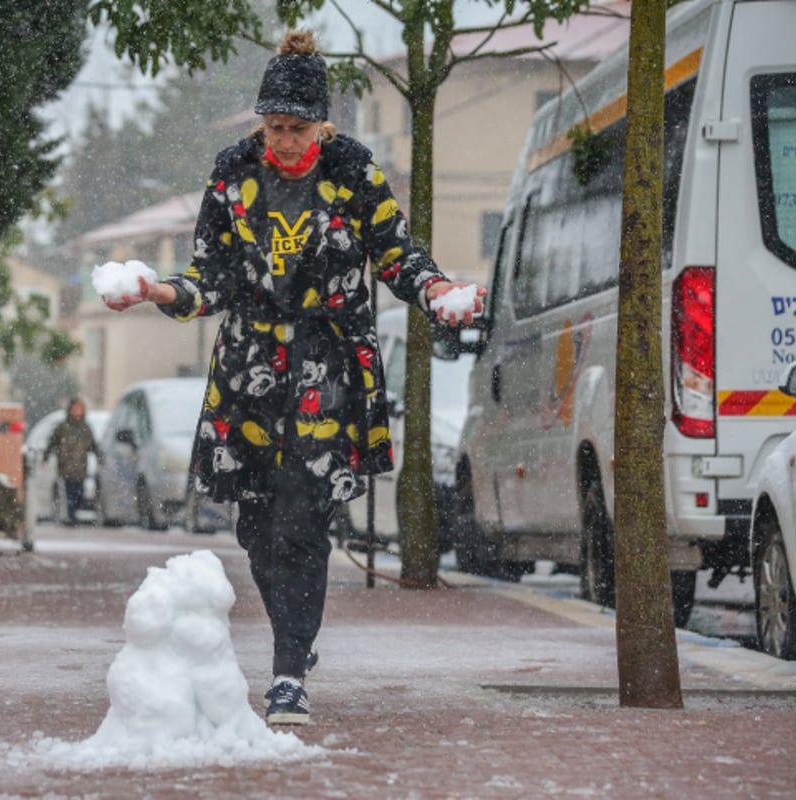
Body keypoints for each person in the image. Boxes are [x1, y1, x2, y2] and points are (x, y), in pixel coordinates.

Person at [103, 29, 484, 726]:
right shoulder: (232, 172)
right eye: (273, 126)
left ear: (322, 123)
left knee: (303, 525)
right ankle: (297, 639)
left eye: (296, 127)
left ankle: (286, 674)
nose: (281, 140)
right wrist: (161, 292)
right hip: (249, 370)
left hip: (327, 369)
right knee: (256, 525)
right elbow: (212, 272)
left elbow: (397, 256)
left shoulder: (353, 172)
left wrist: (437, 292)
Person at [44, 397, 99, 526]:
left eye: (80, 408)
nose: (77, 411)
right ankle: (71, 516)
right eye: (75, 408)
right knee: (69, 493)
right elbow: (52, 442)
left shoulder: (85, 428)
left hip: (81, 467)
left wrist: (100, 458)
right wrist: (45, 456)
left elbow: (94, 445)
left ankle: (73, 513)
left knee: (80, 492)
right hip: (66, 466)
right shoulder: (63, 427)